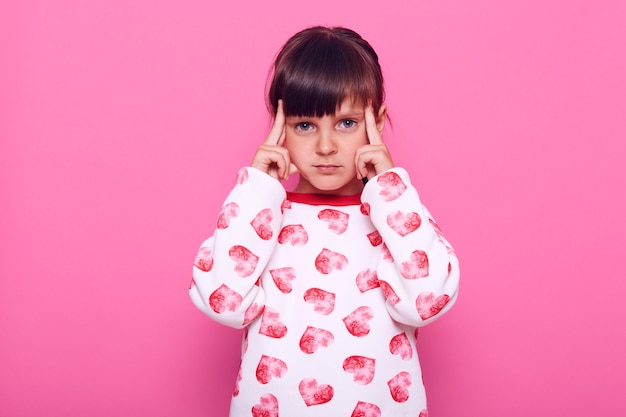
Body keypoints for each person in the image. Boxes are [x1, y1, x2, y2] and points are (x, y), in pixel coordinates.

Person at [190, 26, 459, 417]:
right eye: (305, 126)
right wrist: (256, 191)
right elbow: (224, 302)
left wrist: (389, 190)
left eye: (347, 123)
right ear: (279, 127)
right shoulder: (263, 215)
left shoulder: (394, 214)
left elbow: (426, 301)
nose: (326, 146)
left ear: (377, 122)